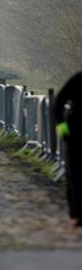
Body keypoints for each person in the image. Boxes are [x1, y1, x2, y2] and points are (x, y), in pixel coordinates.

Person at [55, 71, 82, 226]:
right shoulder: (78, 80)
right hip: (76, 133)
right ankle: (77, 211)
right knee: (75, 172)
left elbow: (58, 104)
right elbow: (58, 103)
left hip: (73, 131)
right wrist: (63, 131)